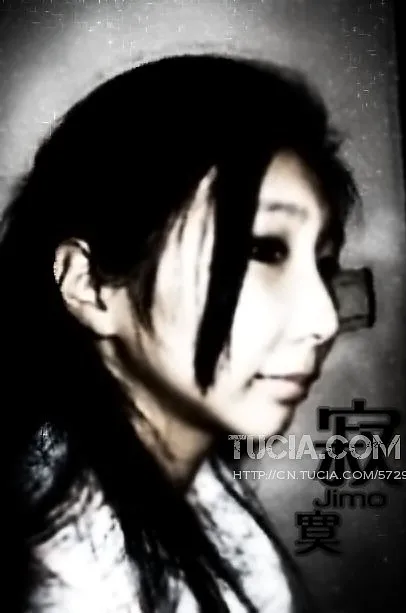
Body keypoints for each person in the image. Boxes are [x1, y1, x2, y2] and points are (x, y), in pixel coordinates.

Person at [1, 54, 361, 613]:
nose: (325, 321)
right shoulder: (65, 582)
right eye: (263, 249)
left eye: (324, 264)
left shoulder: (192, 483)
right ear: (89, 285)